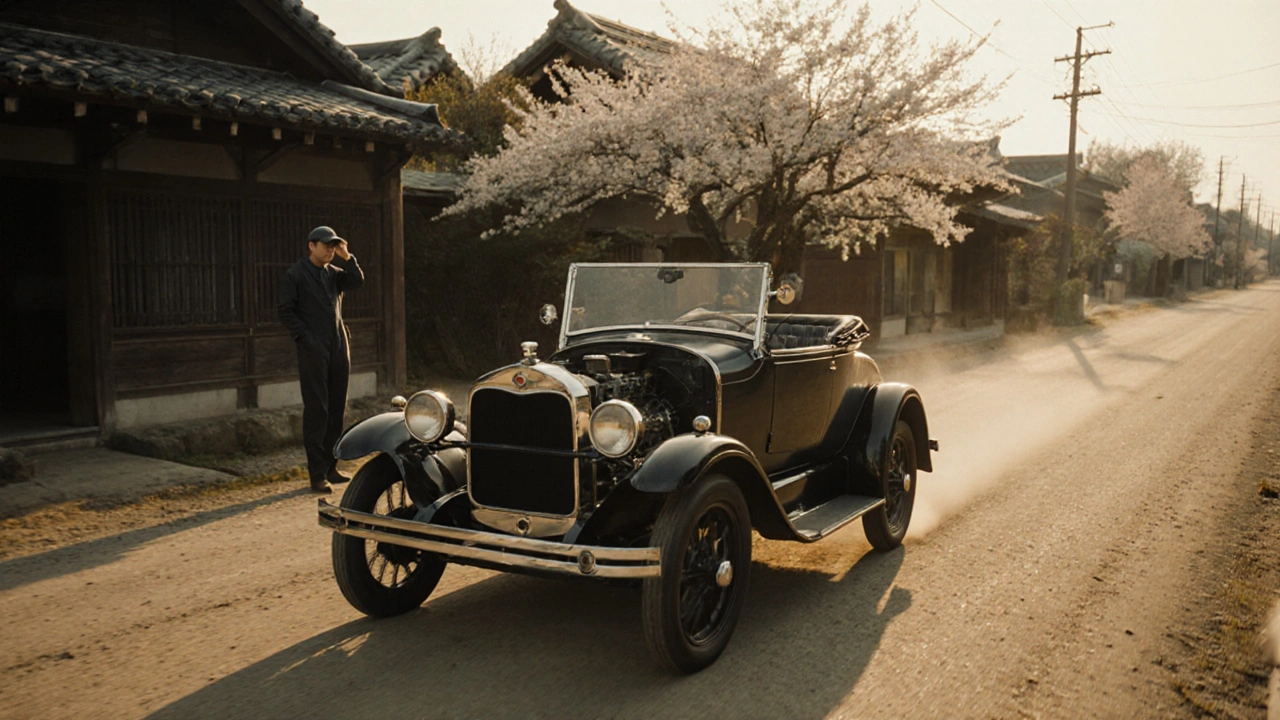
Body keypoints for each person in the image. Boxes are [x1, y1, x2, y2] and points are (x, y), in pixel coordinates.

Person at [278, 226, 365, 493]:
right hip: (313, 350)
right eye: (326, 245)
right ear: (311, 246)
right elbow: (286, 311)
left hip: (339, 345)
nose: (329, 250)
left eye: (333, 245)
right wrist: (306, 338)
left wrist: (347, 257)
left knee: (337, 408)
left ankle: (330, 466)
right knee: (318, 410)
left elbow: (357, 281)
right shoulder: (295, 275)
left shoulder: (335, 274)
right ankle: (317, 474)